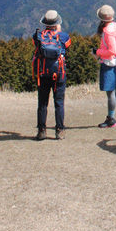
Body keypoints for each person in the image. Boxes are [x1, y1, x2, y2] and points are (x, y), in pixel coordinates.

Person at [32, 10, 71, 140]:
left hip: (43, 73)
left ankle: (41, 131)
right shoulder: (64, 36)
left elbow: (36, 47)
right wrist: (58, 31)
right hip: (58, 73)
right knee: (59, 102)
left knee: (42, 103)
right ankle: (59, 130)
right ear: (57, 22)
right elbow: (66, 47)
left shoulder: (37, 36)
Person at [94, 5, 116, 128]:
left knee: (110, 93)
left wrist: (97, 52)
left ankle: (111, 119)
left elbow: (112, 51)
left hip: (109, 64)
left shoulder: (107, 31)